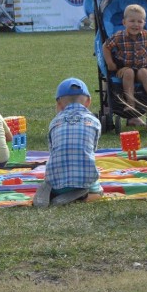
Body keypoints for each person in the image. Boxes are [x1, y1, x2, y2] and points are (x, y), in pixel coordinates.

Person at [33, 78, 103, 208]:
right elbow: (92, 149)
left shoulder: (55, 122)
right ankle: (80, 194)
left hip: (57, 182)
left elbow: (52, 150)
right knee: (98, 192)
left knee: (50, 180)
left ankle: (49, 191)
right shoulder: (94, 122)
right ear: (88, 102)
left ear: (59, 103)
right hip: (84, 179)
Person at [102, 4, 147, 126]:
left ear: (144, 23)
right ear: (124, 22)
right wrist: (110, 62)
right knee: (129, 72)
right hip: (124, 68)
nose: (136, 24)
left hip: (142, 68)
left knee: (143, 72)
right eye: (132, 21)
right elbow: (106, 46)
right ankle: (130, 104)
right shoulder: (119, 36)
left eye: (139, 21)